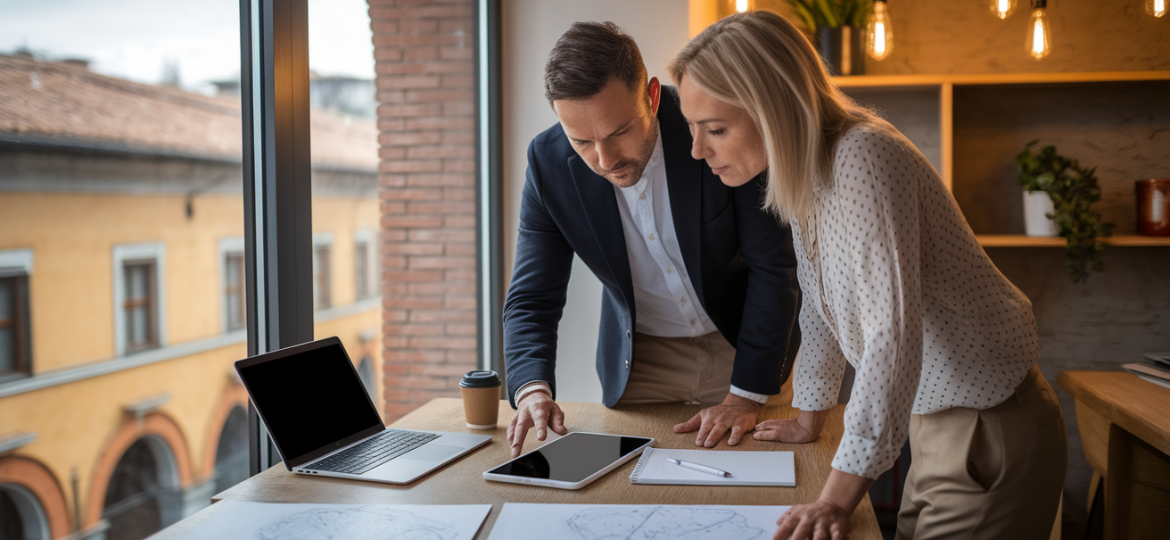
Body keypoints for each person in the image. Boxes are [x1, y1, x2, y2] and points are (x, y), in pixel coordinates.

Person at [669, 11, 1067, 540]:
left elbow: (891, 335)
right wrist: (809, 415)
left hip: (984, 425)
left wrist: (834, 500)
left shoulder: (863, 157)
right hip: (935, 420)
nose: (698, 151)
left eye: (715, 129)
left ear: (776, 108)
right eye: (692, 129)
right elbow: (819, 304)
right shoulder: (805, 173)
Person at [503, 21, 802, 458]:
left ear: (653, 96)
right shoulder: (547, 164)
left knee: (762, 485)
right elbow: (532, 296)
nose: (604, 161)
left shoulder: (712, 125)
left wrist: (744, 396)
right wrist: (531, 388)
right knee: (637, 496)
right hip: (643, 361)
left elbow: (774, 269)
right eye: (581, 141)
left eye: (619, 132)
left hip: (744, 340)